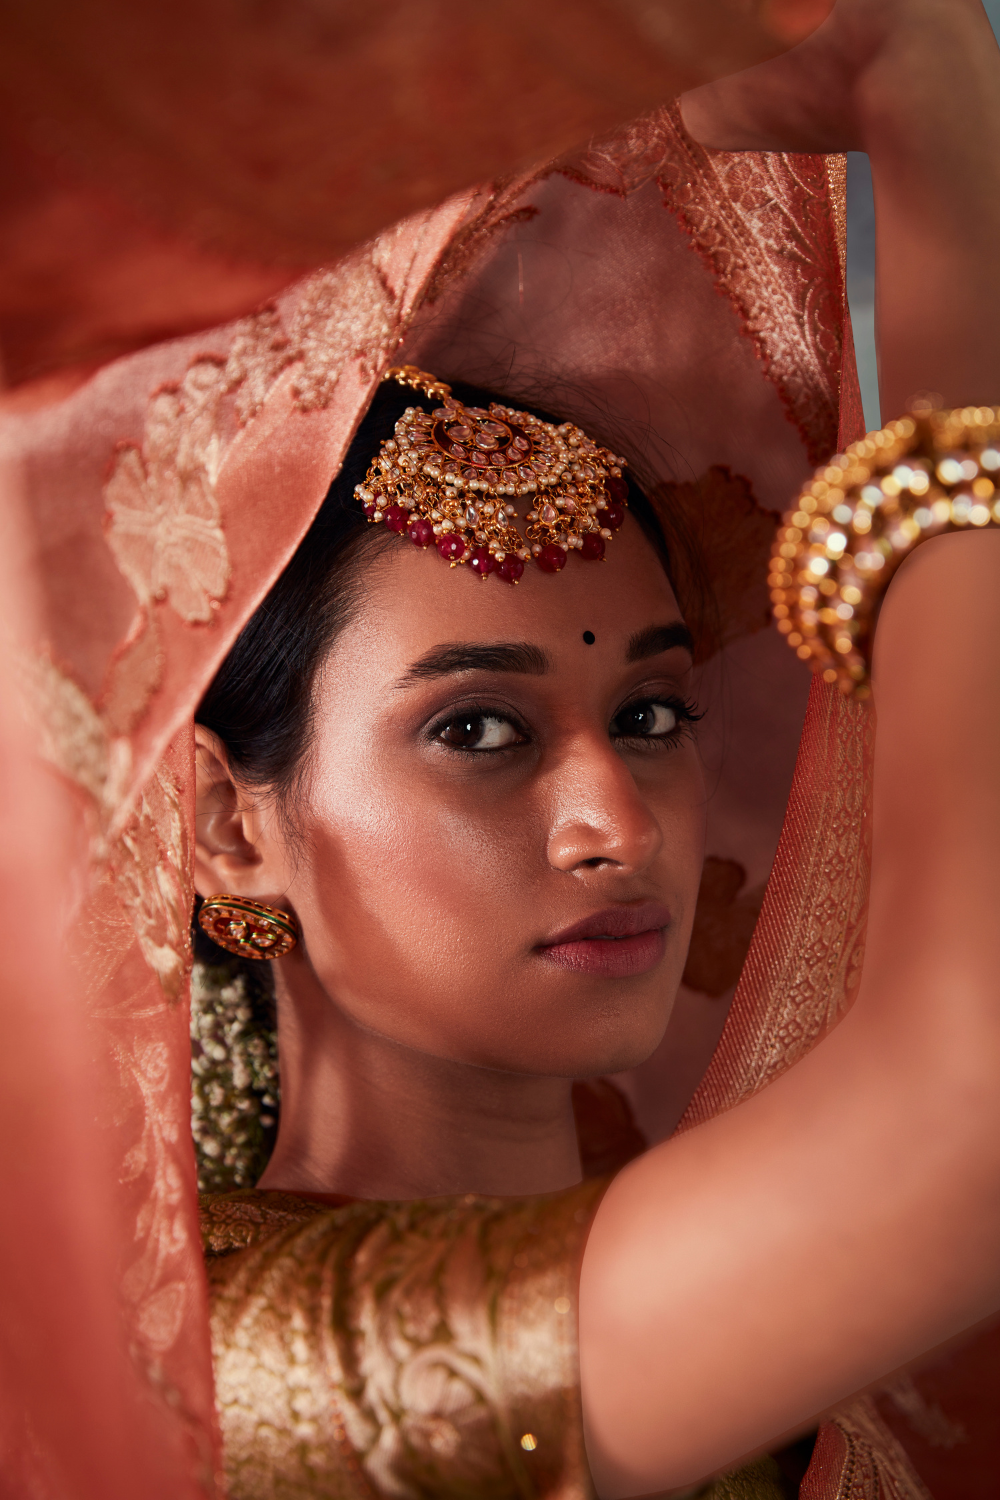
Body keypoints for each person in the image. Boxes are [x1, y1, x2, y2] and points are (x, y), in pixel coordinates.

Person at [3, 2, 1000, 1498]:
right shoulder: (213, 1367)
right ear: (228, 826)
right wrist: (938, 141)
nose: (616, 820)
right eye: (478, 729)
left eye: (651, 716)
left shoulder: (788, 1348)